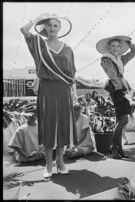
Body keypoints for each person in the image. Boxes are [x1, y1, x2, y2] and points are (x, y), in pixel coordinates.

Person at [21, 13, 77, 178]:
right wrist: (39, 17)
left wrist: (74, 94)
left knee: (62, 126)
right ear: (45, 27)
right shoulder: (38, 43)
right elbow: (23, 30)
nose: (52, 28)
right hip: (46, 89)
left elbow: (72, 74)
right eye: (49, 25)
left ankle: (60, 161)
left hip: (64, 90)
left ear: (60, 29)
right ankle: (48, 164)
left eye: (55, 25)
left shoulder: (68, 49)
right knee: (48, 126)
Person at [97, 35, 135, 159]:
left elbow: (134, 52)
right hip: (116, 89)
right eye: (113, 46)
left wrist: (129, 43)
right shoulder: (106, 59)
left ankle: (119, 148)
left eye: (118, 46)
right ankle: (114, 147)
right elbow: (112, 75)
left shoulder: (120, 59)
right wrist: (119, 90)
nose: (115, 48)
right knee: (123, 120)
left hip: (122, 88)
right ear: (108, 47)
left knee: (121, 120)